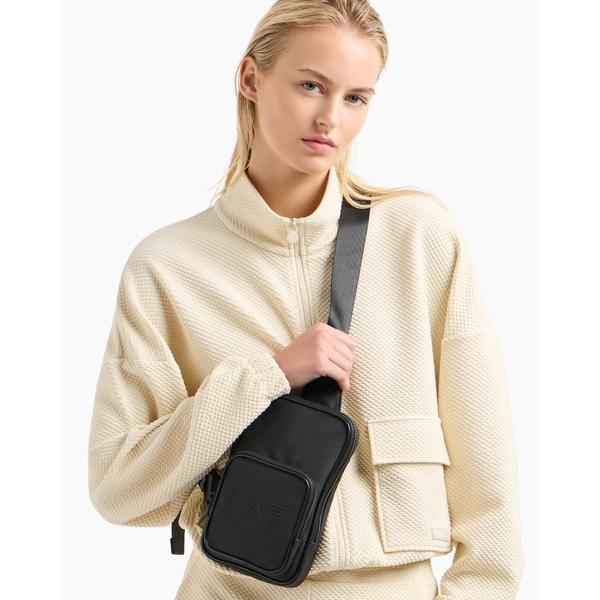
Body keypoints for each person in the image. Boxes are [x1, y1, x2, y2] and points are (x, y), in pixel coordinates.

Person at [87, 1, 525, 599]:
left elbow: (488, 471)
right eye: (311, 86)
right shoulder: (167, 267)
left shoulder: (420, 237)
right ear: (251, 78)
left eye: (355, 97)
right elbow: (118, 488)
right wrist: (265, 376)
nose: (330, 118)